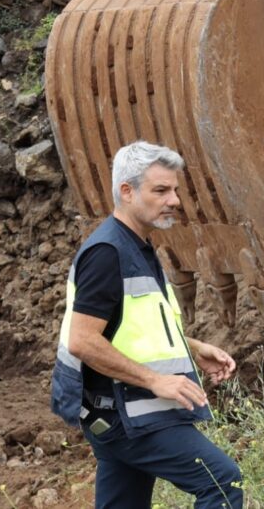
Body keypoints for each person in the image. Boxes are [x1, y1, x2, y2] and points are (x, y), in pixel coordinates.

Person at [51, 141, 243, 509]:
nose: (174, 200)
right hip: (129, 414)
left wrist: (194, 347)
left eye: (174, 190)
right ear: (127, 191)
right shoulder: (107, 252)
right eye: (161, 190)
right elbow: (83, 341)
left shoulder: (136, 246)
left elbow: (130, 326)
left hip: (120, 414)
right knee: (222, 481)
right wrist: (156, 380)